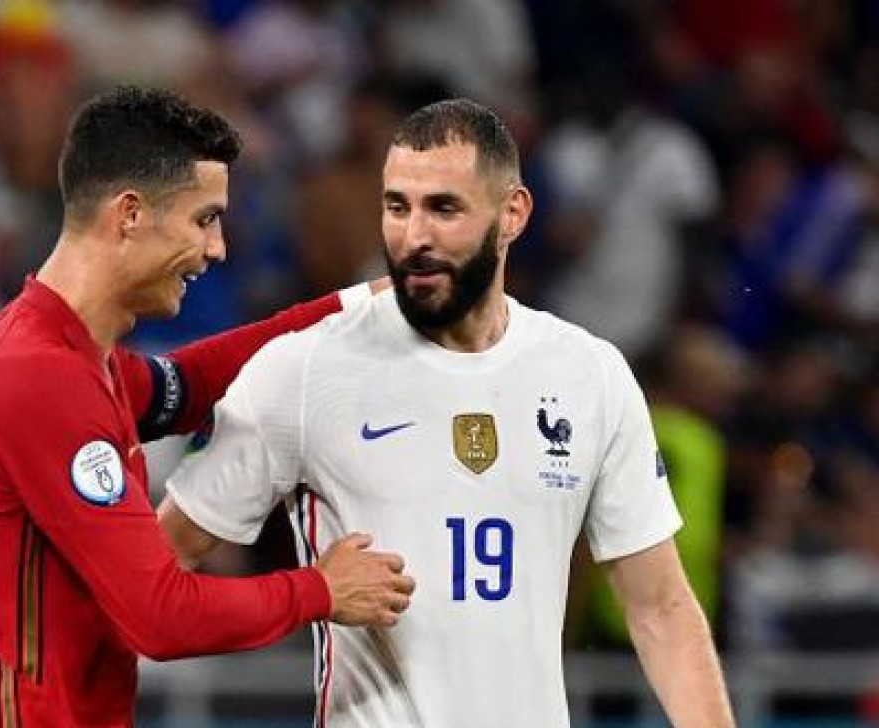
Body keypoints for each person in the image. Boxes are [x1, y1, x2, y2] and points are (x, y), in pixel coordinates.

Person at [159, 98, 734, 727]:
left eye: (444, 209)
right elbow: (159, 574)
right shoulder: (304, 370)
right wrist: (306, 593)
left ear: (512, 214)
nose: (414, 238)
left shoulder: (589, 374)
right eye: (397, 207)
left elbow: (660, 609)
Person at [0, 86, 415, 726]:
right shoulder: (38, 377)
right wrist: (321, 589)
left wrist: (357, 310)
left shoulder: (73, 358)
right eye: (204, 219)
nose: (218, 249)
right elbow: (159, 616)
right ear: (130, 214)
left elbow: (190, 381)